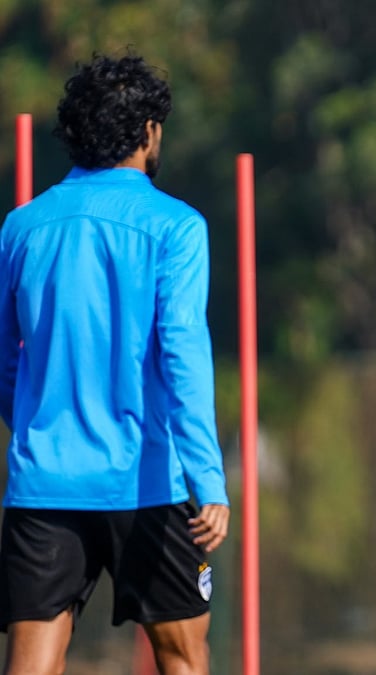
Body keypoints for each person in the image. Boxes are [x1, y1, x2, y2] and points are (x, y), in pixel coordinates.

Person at [0, 54, 229, 674]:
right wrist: (208, 480)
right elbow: (182, 354)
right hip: (151, 483)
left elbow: (5, 359)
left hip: (44, 483)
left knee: (29, 666)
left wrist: (37, 423)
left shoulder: (20, 227)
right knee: (183, 658)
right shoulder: (178, 226)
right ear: (149, 131)